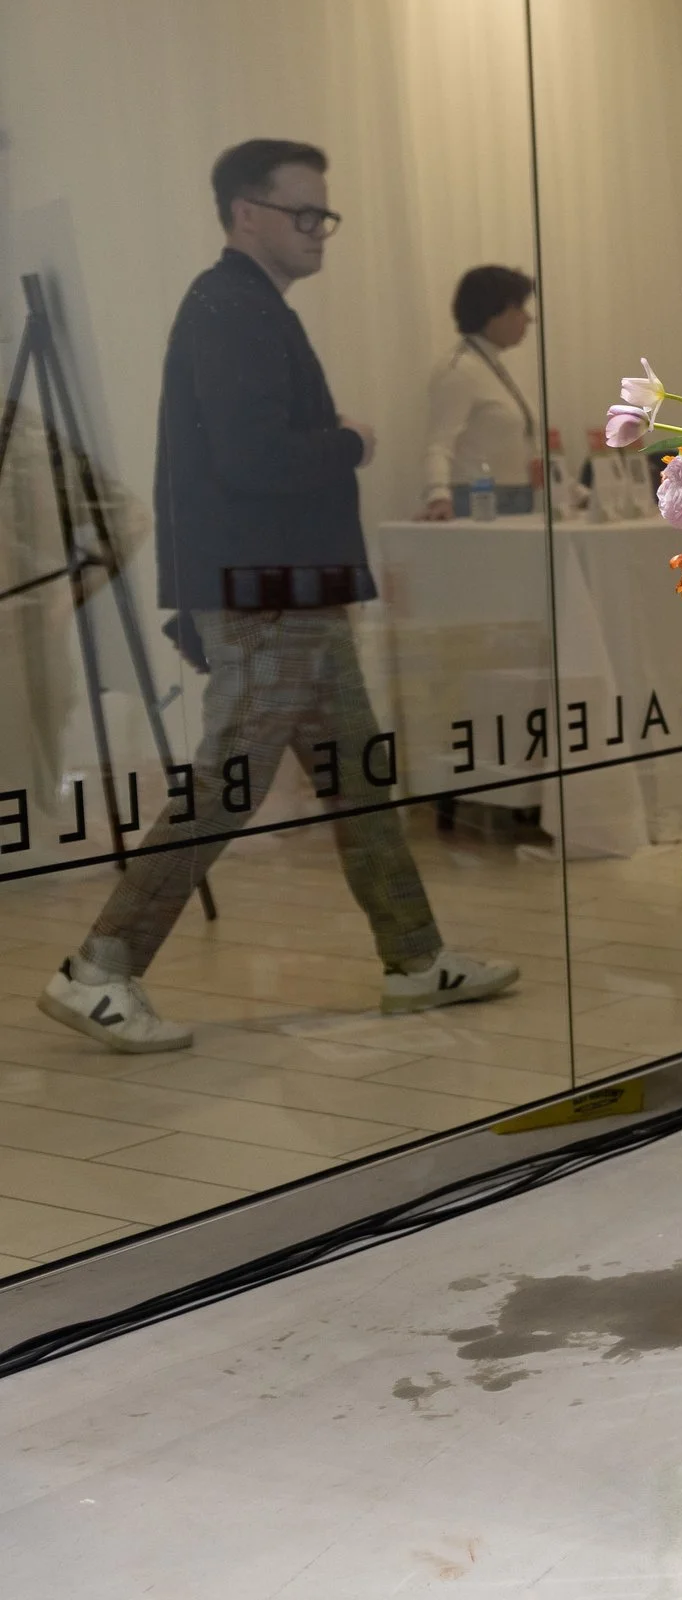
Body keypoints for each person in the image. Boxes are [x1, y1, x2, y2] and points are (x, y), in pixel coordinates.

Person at [39, 138, 517, 1054]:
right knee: (228, 785)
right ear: (245, 213)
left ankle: (415, 958)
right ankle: (97, 969)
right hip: (268, 595)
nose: (320, 232)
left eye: (324, 215)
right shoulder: (233, 310)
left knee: (356, 775)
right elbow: (250, 461)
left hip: (290, 591)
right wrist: (348, 441)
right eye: (304, 214)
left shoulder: (245, 305)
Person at [418, 265, 539, 519]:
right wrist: (438, 494)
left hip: (521, 497)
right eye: (518, 309)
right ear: (493, 313)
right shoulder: (458, 370)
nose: (528, 319)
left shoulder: (495, 367)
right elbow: (439, 443)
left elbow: (528, 443)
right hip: (478, 502)